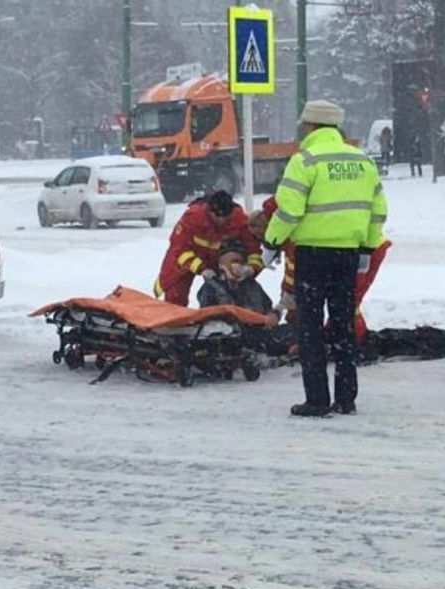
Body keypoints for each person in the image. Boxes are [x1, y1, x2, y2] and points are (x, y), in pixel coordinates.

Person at [262, 99, 388, 417]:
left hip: (313, 255)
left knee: (311, 327)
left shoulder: (304, 160)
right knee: (343, 325)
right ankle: (346, 399)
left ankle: (317, 399)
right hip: (348, 255)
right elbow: (378, 212)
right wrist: (367, 249)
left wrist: (271, 242)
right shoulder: (362, 161)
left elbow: (288, 210)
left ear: (310, 126)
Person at [250, 195, 392, 342]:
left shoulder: (291, 233)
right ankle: (343, 340)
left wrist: (282, 307)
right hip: (353, 246)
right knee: (343, 304)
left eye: (263, 240)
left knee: (349, 303)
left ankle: (354, 341)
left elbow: (295, 272)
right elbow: (292, 272)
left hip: (364, 249)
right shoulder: (288, 218)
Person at [154, 190, 263, 307]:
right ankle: (175, 319)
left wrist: (251, 268)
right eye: (217, 216)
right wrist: (201, 268)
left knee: (229, 290)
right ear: (209, 211)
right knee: (175, 294)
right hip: (188, 260)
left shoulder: (238, 219)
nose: (221, 220)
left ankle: (223, 313)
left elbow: (253, 249)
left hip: (219, 260)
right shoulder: (192, 218)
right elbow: (179, 250)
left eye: (225, 216)